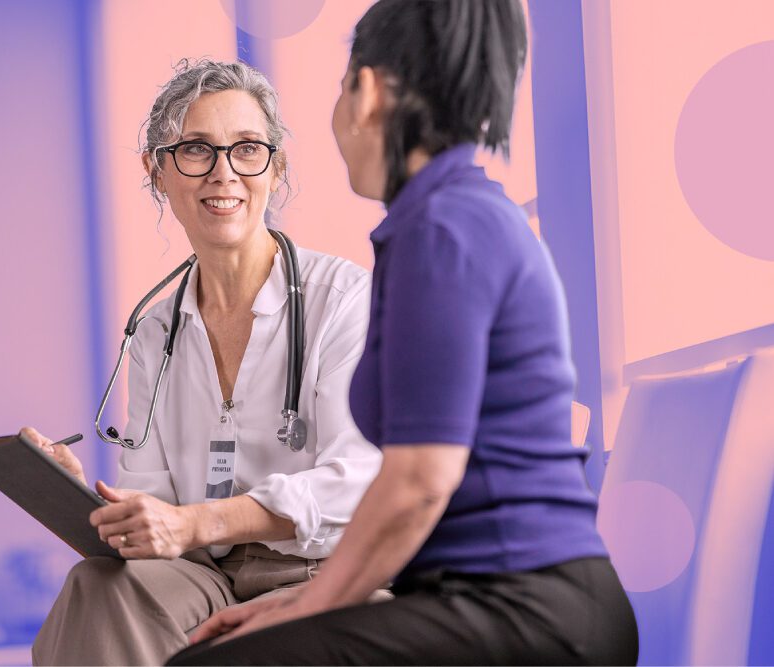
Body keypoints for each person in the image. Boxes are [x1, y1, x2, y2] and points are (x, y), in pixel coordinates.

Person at [169, 1, 639, 665]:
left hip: (531, 613)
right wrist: (294, 603)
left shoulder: (441, 229)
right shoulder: (450, 217)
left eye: (339, 89)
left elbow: (419, 481)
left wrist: (312, 601)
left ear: (367, 92)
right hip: (498, 599)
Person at [25, 59, 382, 666]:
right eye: (195, 150)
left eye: (247, 149)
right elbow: (154, 500)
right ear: (158, 170)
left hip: (326, 568)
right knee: (98, 588)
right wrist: (84, 497)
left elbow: (357, 480)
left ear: (277, 168)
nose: (224, 174)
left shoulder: (343, 299)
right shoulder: (155, 331)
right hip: (206, 578)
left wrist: (198, 524)